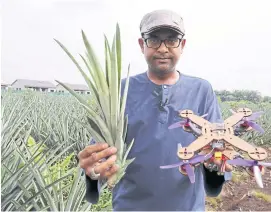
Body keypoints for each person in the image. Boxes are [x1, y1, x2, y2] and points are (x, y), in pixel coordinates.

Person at [78, 9, 233, 211]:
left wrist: (215, 166)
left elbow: (213, 187)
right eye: (153, 39)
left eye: (171, 40)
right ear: (142, 45)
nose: (162, 48)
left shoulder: (201, 91)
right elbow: (95, 181)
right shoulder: (119, 91)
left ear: (182, 45)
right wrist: (92, 174)